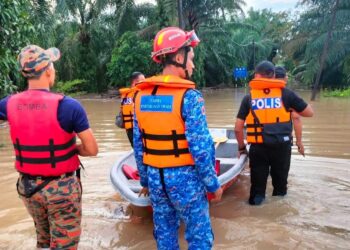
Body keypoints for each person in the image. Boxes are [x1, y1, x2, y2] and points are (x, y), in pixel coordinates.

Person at [0, 45, 98, 249]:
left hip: (28, 188)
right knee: (64, 245)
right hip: (61, 189)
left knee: (43, 240)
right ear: (48, 71)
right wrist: (71, 149)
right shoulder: (69, 106)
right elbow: (92, 149)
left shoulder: (7, 104)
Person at [133, 27, 223, 249]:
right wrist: (213, 184)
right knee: (200, 237)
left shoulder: (140, 96)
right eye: (191, 58)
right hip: (186, 179)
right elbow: (201, 148)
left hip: (156, 179)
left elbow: (139, 146)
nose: (192, 64)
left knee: (165, 237)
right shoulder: (190, 98)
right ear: (179, 57)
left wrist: (145, 180)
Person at [234, 60, 313, 205]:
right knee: (280, 189)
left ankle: (255, 215)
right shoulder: (287, 94)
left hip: (258, 149)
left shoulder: (249, 98)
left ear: (257, 75)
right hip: (281, 148)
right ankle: (279, 215)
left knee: (257, 192)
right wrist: (292, 107)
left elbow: (238, 128)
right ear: (274, 75)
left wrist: (241, 148)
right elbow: (309, 113)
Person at [275, 66, 305, 156]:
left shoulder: (258, 94)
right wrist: (299, 142)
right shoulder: (289, 95)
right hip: (282, 141)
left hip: (261, 142)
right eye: (287, 75)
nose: (287, 77)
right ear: (284, 77)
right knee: (280, 170)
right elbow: (296, 118)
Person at [117, 72, 145, 147]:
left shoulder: (125, 95)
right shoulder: (140, 93)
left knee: (135, 148)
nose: (145, 82)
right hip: (139, 129)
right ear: (135, 82)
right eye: (143, 80)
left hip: (129, 130)